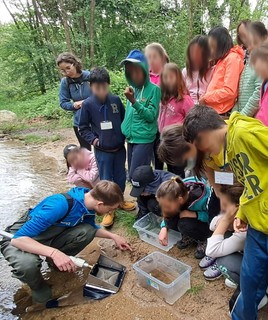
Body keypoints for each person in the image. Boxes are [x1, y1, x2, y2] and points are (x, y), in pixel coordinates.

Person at [182, 105, 268, 320]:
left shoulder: (246, 134)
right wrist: (243, 211)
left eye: (200, 145)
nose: (203, 152)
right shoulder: (228, 146)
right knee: (249, 283)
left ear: (204, 135)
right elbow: (252, 182)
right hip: (258, 225)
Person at [0, 181, 132, 305]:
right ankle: (38, 286)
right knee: (28, 265)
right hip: (18, 238)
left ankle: (56, 264)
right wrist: (54, 252)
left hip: (49, 236)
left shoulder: (88, 206)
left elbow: (92, 228)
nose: (110, 212)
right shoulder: (59, 205)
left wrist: (113, 236)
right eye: (110, 209)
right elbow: (18, 240)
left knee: (87, 230)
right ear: (100, 204)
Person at [79, 67, 135, 227]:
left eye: (104, 87)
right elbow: (83, 127)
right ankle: (109, 210)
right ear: (91, 86)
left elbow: (124, 119)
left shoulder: (116, 100)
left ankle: (120, 201)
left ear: (108, 85)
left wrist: (124, 135)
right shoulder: (88, 105)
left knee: (120, 177)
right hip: (102, 151)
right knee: (105, 180)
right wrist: (95, 141)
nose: (101, 91)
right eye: (97, 88)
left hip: (119, 149)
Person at [121, 49, 161, 180]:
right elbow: (129, 114)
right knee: (134, 177)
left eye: (137, 70)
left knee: (137, 176)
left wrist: (133, 101)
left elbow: (151, 116)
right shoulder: (133, 90)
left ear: (144, 70)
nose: (134, 75)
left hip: (144, 139)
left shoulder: (154, 90)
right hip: (131, 138)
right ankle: (143, 198)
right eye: (130, 71)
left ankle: (148, 199)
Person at [199, 183, 245, 285]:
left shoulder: (243, 230)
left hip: (254, 264)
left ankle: (243, 284)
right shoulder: (238, 217)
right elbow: (212, 225)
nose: (222, 209)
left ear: (237, 208)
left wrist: (226, 220)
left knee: (223, 261)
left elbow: (211, 250)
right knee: (222, 232)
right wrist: (226, 219)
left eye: (225, 205)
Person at [157, 176, 211, 259]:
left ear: (180, 200)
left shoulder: (203, 199)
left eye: (167, 206)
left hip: (206, 223)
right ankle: (189, 236)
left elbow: (212, 217)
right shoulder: (176, 191)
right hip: (186, 213)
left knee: (185, 224)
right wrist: (164, 227)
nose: (165, 209)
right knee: (171, 218)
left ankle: (203, 240)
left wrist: (195, 214)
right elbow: (167, 213)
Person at [157, 63, 194, 176]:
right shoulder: (164, 98)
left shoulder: (185, 99)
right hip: (166, 142)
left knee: (179, 173)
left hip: (178, 145)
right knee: (170, 172)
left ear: (178, 78)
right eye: (165, 77)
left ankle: (183, 191)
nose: (168, 80)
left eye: (171, 77)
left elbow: (192, 121)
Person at [199, 27, 244, 116]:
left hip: (222, 112)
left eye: (212, 46)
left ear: (220, 44)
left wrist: (206, 98)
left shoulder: (232, 58)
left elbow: (229, 91)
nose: (211, 50)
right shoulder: (222, 60)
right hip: (214, 110)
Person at [56, 52, 91, 150]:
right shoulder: (65, 82)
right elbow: (63, 102)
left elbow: (102, 94)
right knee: (85, 151)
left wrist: (86, 102)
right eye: (62, 70)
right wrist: (73, 105)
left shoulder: (90, 76)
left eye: (68, 68)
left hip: (96, 119)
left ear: (74, 64)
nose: (66, 72)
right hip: (79, 121)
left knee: (101, 148)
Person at [232, 21, 268, 117]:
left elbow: (258, 93)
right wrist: (234, 115)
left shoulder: (263, 60)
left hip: (253, 118)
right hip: (242, 117)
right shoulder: (247, 61)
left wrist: (241, 116)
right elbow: (240, 95)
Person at [145, 43, 169, 170]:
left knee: (169, 153)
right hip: (150, 122)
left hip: (167, 120)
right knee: (155, 154)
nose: (151, 60)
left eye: (154, 56)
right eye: (148, 57)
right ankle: (158, 178)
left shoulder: (168, 74)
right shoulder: (144, 77)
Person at [182, 35, 213, 104]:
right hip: (188, 107)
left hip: (207, 108)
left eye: (198, 52)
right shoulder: (185, 72)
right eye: (192, 51)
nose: (194, 55)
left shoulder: (213, 71)